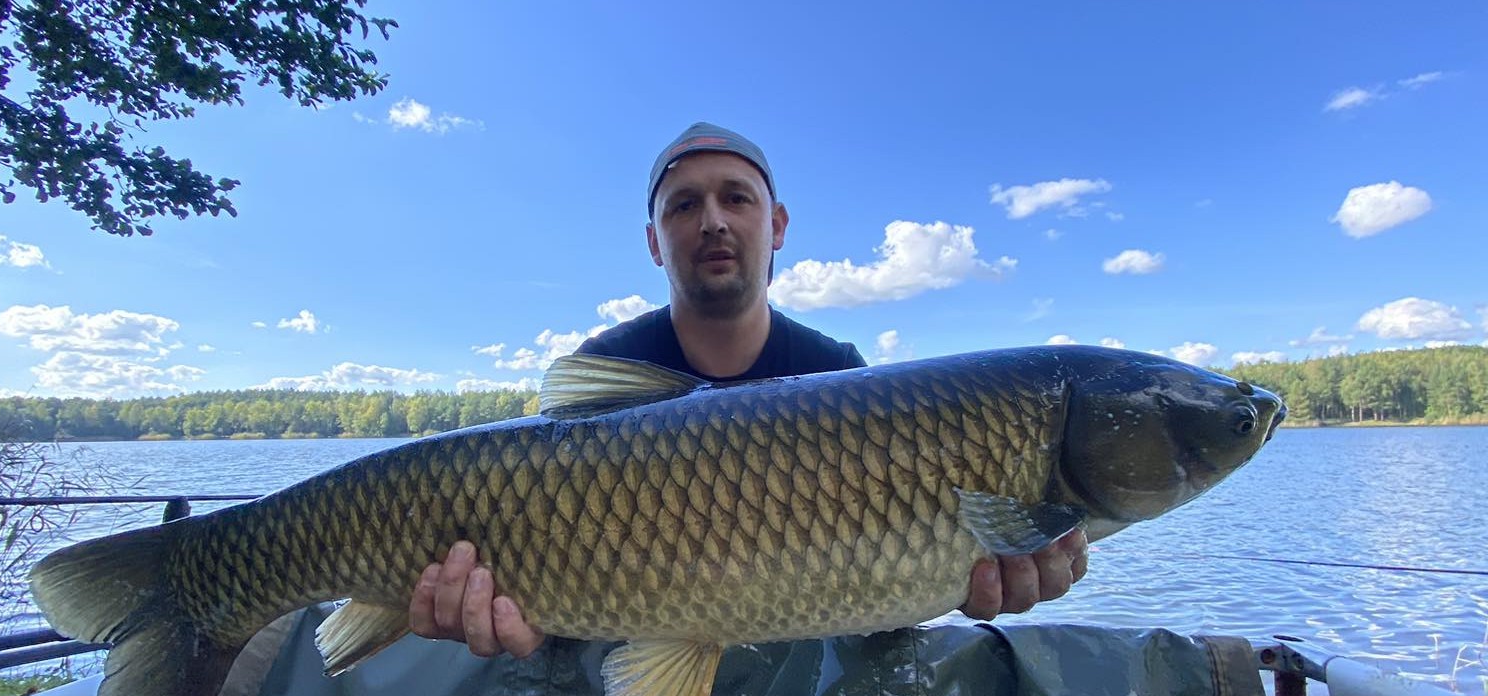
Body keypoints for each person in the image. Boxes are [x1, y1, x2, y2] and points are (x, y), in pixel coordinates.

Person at [410, 122, 1088, 657]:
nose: (713, 221)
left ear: (777, 225)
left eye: (736, 198)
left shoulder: (840, 378)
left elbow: (882, 592)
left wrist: (962, 584)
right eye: (684, 205)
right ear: (654, 242)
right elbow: (547, 585)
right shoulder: (608, 369)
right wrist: (514, 620)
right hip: (622, 655)